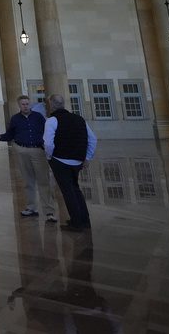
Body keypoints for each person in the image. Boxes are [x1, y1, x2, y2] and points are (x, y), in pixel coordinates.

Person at [0, 94, 58, 222]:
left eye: (27, 104)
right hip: (22, 151)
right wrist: (0, 137)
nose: (25, 106)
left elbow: (48, 132)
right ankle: (31, 208)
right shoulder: (15, 119)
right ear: (19, 105)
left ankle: (49, 211)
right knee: (28, 181)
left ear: (30, 104)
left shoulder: (38, 117)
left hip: (38, 151)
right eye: (23, 104)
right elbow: (11, 134)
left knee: (43, 182)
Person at [43, 93, 97, 232]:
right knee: (75, 189)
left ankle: (76, 223)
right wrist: (87, 157)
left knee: (68, 192)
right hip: (77, 161)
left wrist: (50, 157)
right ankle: (84, 220)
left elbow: (48, 143)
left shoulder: (52, 120)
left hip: (60, 161)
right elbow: (93, 139)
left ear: (51, 104)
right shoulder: (79, 119)